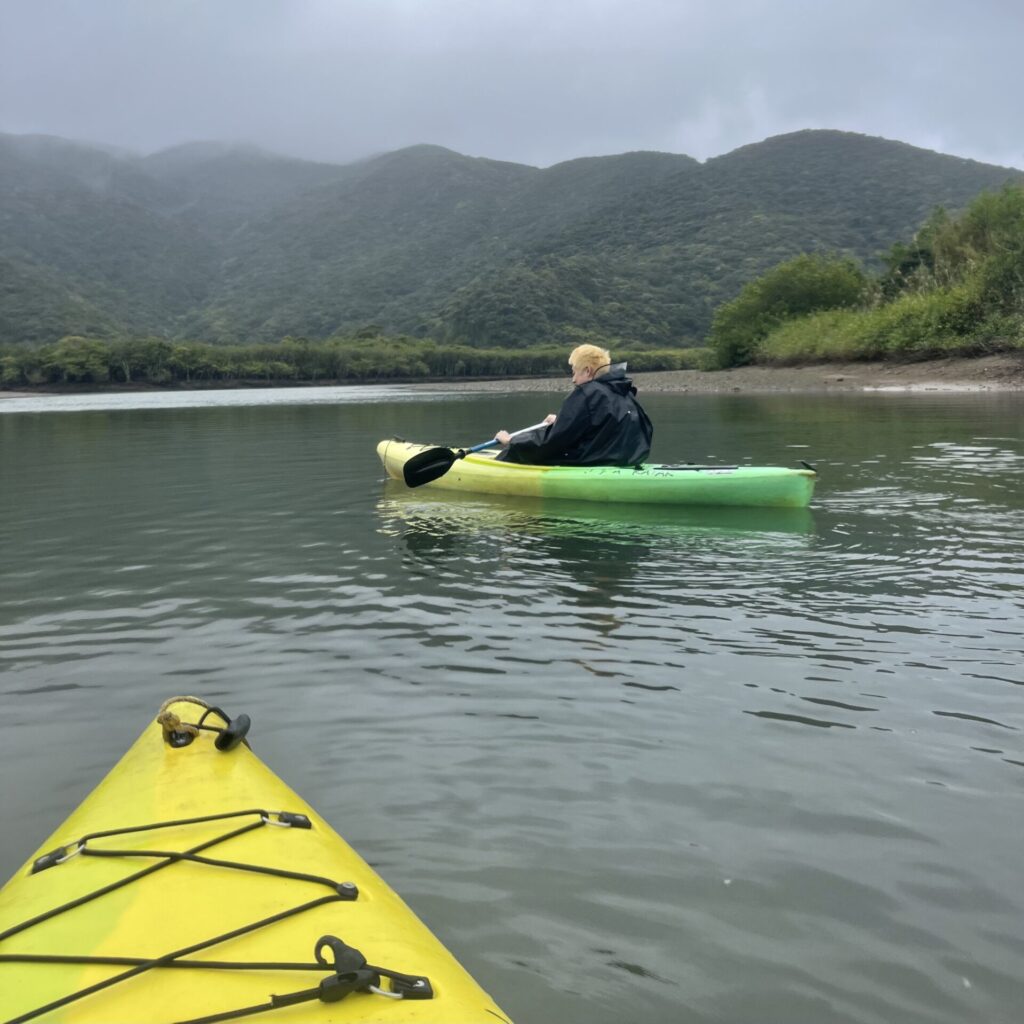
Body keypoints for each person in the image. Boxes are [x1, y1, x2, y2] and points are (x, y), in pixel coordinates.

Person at [495, 344, 653, 466]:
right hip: (627, 462)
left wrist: (512, 441)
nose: (573, 379)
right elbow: (599, 427)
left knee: (514, 452)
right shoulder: (625, 393)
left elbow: (552, 442)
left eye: (574, 372)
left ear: (587, 371)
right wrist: (561, 420)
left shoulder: (586, 392)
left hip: (593, 462)